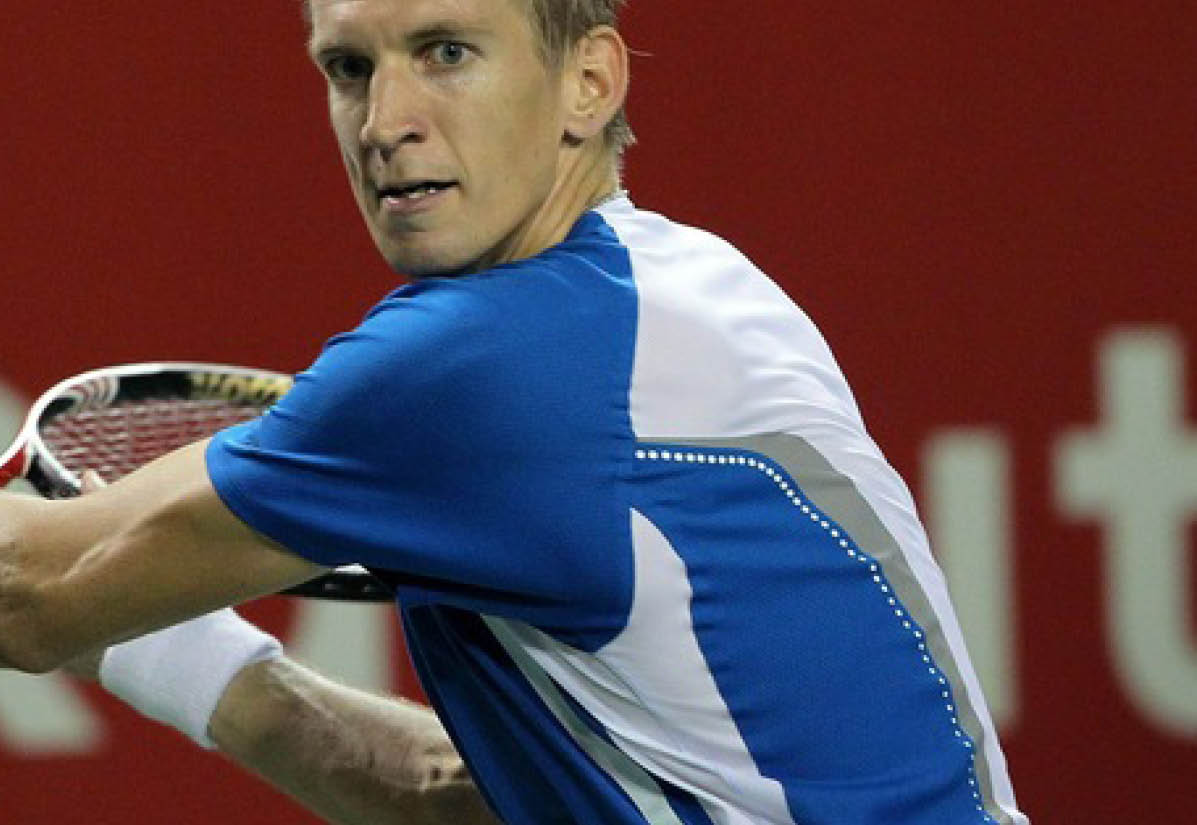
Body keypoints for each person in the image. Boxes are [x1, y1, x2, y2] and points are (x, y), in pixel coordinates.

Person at [0, 0, 1030, 823]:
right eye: (348, 68)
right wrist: (169, 651)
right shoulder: (693, 289)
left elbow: (26, 595)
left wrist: (91, 598)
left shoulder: (486, 361)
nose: (384, 121)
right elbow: (474, 798)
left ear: (589, 81)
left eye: (446, 51)